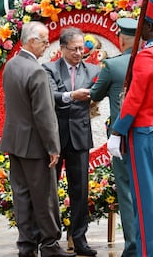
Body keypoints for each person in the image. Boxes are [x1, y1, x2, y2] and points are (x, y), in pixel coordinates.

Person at [107, 0, 153, 257]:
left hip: (143, 132)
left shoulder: (146, 58)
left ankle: (150, 253)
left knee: (145, 196)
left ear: (149, 27)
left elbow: (134, 98)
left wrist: (118, 130)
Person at [0, 22, 76, 257]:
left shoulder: (12, 65)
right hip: (35, 145)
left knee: (22, 195)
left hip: (15, 141)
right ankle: (50, 244)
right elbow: (44, 114)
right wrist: (53, 147)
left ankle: (26, 244)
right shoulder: (36, 71)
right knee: (44, 196)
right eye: (43, 41)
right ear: (31, 41)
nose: (46, 45)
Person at [43, 27, 100, 257]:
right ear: (62, 48)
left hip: (80, 136)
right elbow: (51, 96)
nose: (78, 53)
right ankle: (50, 239)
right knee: (50, 190)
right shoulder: (49, 69)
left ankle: (79, 238)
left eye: (81, 48)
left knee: (80, 190)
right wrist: (71, 96)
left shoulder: (94, 69)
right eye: (73, 49)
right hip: (55, 137)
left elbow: (99, 92)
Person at [90, 18, 138, 257]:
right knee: (148, 190)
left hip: (122, 136)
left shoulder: (113, 65)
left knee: (127, 192)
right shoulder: (149, 61)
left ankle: (133, 247)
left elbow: (95, 94)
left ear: (121, 39)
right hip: (148, 134)